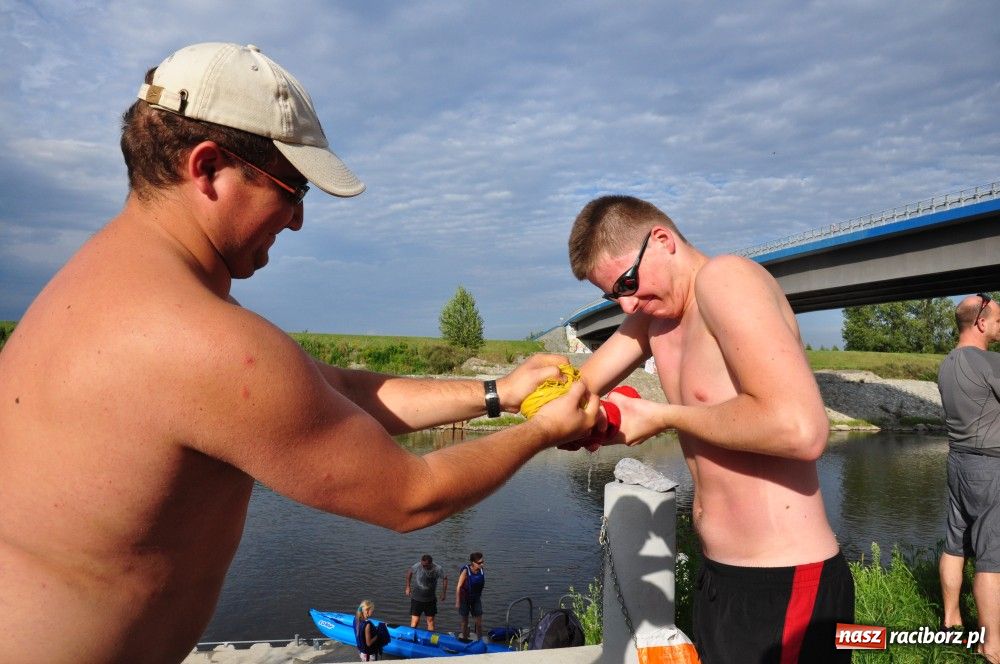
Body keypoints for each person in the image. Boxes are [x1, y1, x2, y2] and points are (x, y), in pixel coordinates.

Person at [0, 42, 600, 664]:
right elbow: (412, 494)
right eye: (293, 189)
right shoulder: (203, 340)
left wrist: (500, 393)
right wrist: (545, 430)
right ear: (207, 169)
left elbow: (336, 391)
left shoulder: (89, 292)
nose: (297, 221)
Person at [567, 196, 854, 663]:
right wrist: (576, 418)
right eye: (612, 295)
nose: (626, 302)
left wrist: (663, 416)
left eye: (628, 282)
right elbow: (577, 389)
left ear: (662, 240)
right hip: (719, 578)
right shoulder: (654, 317)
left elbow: (802, 430)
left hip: (785, 581)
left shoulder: (726, 280)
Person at [937, 293, 1000, 663]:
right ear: (980, 322)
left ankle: (951, 622)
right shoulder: (988, 361)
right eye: (997, 320)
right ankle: (992, 645)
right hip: (991, 468)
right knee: (992, 557)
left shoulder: (947, 363)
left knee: (955, 544)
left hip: (958, 462)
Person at [405, 554, 448, 631]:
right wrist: (408, 587)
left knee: (430, 621)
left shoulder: (438, 568)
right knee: (415, 621)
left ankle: (430, 639)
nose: (423, 567)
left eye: (426, 565)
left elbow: (445, 578)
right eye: (422, 564)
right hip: (417, 598)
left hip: (430, 599)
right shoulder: (418, 566)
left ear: (431, 563)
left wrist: (444, 592)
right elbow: (409, 572)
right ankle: (412, 637)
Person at [455, 552, 487, 640]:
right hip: (464, 598)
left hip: (476, 598)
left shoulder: (481, 570)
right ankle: (465, 639)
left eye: (482, 562)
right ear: (473, 562)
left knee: (479, 623)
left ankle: (480, 641)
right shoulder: (466, 571)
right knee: (465, 621)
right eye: (479, 563)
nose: (482, 564)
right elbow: (459, 586)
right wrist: (458, 601)